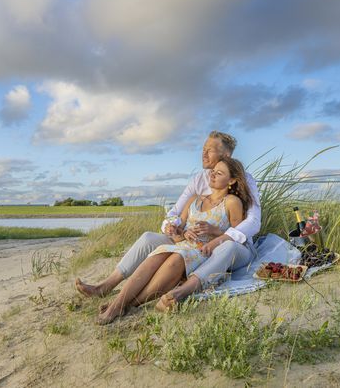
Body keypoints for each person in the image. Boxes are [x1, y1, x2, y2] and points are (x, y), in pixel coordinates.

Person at [75, 131, 261, 298]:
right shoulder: (198, 180)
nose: (203, 153)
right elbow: (175, 212)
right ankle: (107, 285)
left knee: (220, 249)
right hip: (190, 242)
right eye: (203, 149)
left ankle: (180, 289)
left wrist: (218, 237)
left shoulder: (244, 180)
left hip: (225, 245)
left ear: (226, 155)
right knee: (148, 238)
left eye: (210, 150)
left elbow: (253, 221)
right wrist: (173, 227)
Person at [96, 157, 254, 324]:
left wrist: (214, 231)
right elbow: (181, 227)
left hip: (206, 251)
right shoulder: (195, 198)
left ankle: (126, 305)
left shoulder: (232, 202)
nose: (212, 175)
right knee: (157, 256)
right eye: (213, 171)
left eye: (219, 173)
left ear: (232, 180)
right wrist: (180, 231)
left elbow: (238, 237)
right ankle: (118, 303)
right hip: (185, 244)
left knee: (175, 260)